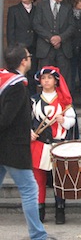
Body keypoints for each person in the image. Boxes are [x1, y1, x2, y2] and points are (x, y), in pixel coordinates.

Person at [0, 45, 53, 240]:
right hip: (12, 148)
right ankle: (38, 235)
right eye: (29, 56)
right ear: (23, 61)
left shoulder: (3, 79)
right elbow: (6, 119)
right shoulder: (17, 87)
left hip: (6, 146)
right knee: (30, 190)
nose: (30, 59)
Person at [31, 66, 77, 225]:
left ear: (56, 80)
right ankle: (39, 209)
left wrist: (63, 121)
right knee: (39, 179)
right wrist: (29, 132)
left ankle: (60, 209)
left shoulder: (64, 101)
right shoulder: (34, 100)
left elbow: (72, 121)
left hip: (59, 145)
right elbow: (26, 120)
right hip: (39, 144)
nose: (46, 81)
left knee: (60, 179)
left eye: (49, 78)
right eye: (43, 78)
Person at [33, 0, 75, 83]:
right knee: (46, 77)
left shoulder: (67, 7)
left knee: (63, 78)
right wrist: (50, 37)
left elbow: (72, 26)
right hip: (45, 48)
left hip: (63, 48)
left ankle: (63, 99)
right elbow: (36, 24)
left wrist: (60, 38)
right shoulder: (41, 6)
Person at [7, 0, 39, 95]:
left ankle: (32, 97)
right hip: (19, 47)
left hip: (34, 46)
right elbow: (10, 31)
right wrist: (12, 49)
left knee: (32, 73)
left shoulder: (37, 10)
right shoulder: (14, 10)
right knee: (19, 73)